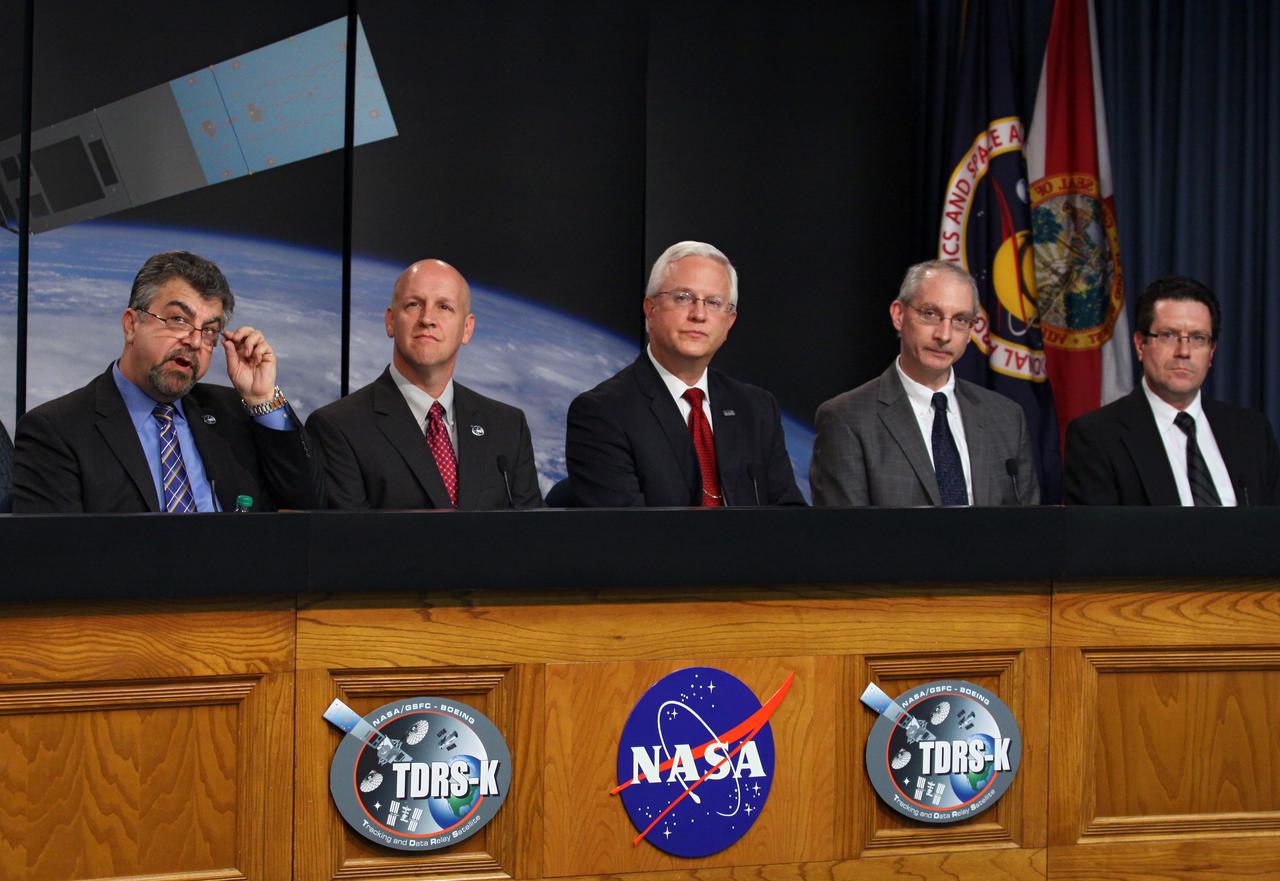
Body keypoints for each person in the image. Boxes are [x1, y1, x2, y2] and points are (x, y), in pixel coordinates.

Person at [12, 250, 323, 512]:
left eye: (209, 330)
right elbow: (51, 562)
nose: (193, 340)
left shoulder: (235, 413)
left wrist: (262, 398)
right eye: (178, 320)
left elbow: (309, 500)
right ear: (131, 324)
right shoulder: (57, 430)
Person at [565, 240, 804, 507]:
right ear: (650, 308)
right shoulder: (603, 412)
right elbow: (626, 537)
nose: (699, 314)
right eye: (683, 297)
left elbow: (790, 520)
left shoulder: (756, 408)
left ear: (729, 322)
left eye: (714, 302)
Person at [306, 259, 541, 509]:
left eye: (445, 307)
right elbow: (348, 542)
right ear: (390, 320)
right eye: (414, 304)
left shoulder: (507, 426)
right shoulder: (338, 428)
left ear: (467, 329)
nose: (427, 318)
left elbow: (536, 538)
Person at [810, 260, 1039, 506]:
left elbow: (1028, 529)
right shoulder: (847, 419)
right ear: (899, 315)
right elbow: (845, 537)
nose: (944, 335)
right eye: (930, 314)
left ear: (972, 330)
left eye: (960, 320)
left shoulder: (1006, 417)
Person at [1064, 275, 1280, 505]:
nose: (1184, 351)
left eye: (1198, 338)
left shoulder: (1252, 432)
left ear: (1212, 352)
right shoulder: (1097, 437)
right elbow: (1097, 538)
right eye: (1168, 335)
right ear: (1140, 345)